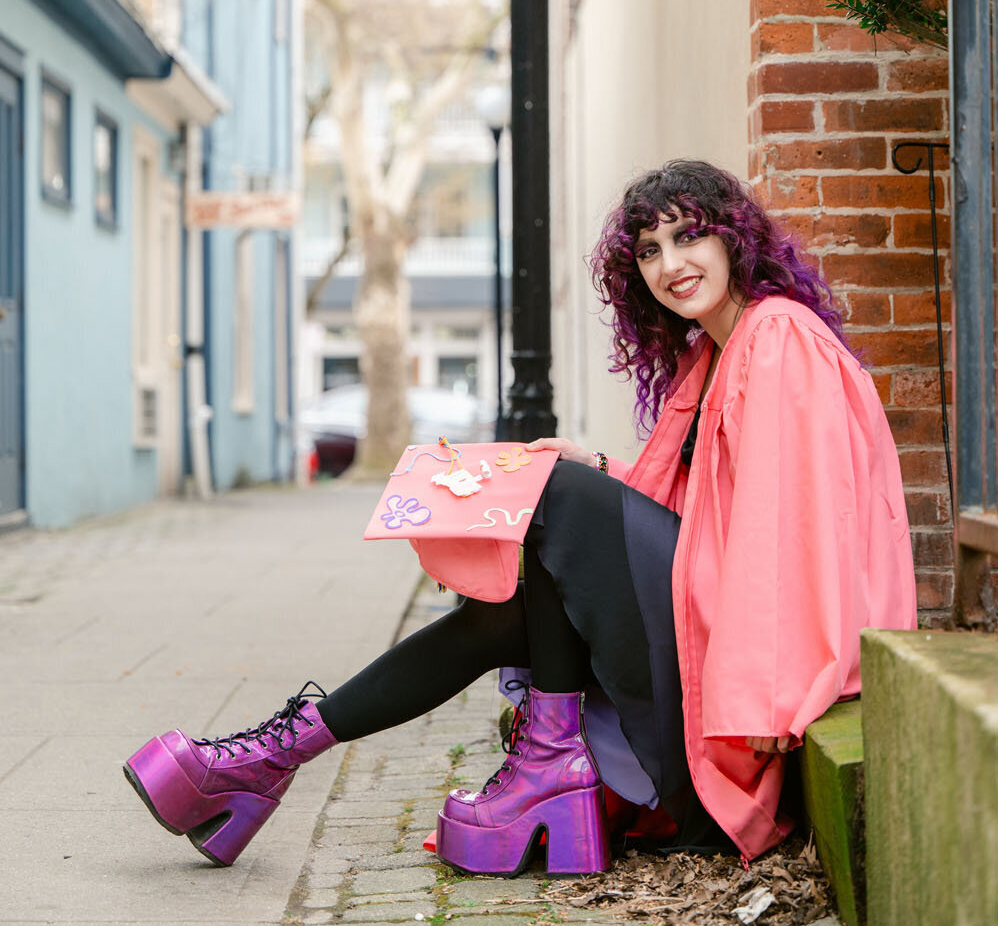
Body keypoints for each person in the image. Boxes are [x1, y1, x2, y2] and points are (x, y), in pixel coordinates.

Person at [123, 159, 917, 874]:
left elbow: (794, 532)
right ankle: (271, 760)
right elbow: (696, 515)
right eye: (648, 251)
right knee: (526, 583)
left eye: (689, 238)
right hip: (693, 644)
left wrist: (770, 696)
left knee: (552, 506)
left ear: (735, 240)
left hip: (733, 703)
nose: (671, 266)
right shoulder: (708, 358)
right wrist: (600, 471)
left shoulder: (778, 337)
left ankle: (537, 762)